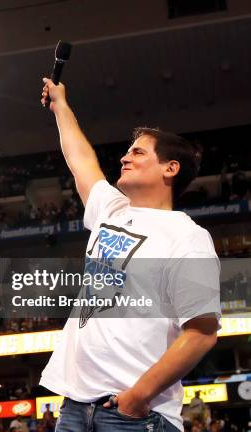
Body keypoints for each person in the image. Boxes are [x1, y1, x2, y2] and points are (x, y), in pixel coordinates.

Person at [38, 78, 221, 432]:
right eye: (128, 151)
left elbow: (201, 331)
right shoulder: (112, 210)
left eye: (138, 152)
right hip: (75, 408)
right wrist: (61, 106)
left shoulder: (188, 237)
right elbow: (81, 161)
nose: (125, 157)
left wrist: (139, 396)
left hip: (136, 414)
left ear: (171, 168)